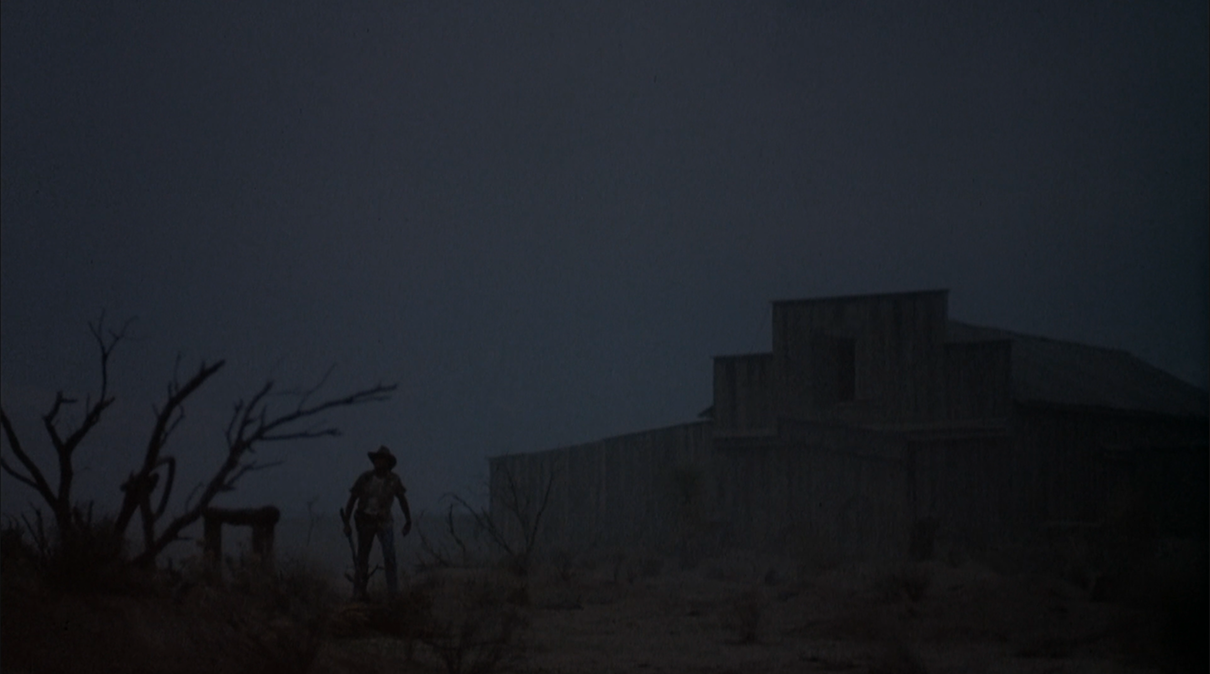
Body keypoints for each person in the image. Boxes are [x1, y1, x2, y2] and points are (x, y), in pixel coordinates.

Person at [343, 445, 412, 599]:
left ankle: (393, 594)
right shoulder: (365, 478)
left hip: (384, 521)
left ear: (388, 463)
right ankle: (358, 592)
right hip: (365, 521)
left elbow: (402, 500)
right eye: (377, 459)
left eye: (382, 459)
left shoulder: (394, 480)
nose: (379, 462)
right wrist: (346, 523)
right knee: (362, 558)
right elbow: (352, 499)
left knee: (389, 556)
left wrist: (408, 520)